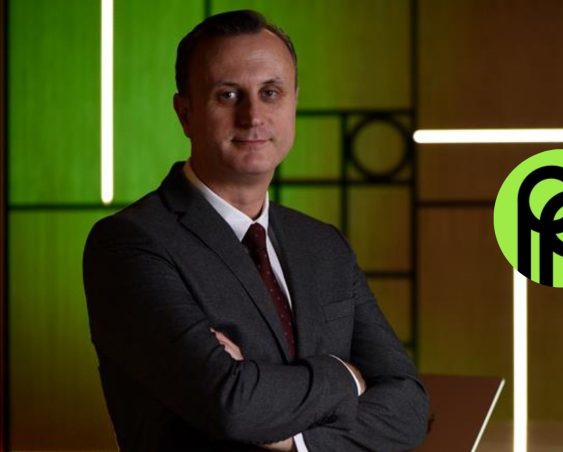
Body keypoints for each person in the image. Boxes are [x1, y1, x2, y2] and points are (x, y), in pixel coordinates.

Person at [83, 9, 429, 451]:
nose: (253, 116)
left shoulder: (323, 245)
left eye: (270, 93)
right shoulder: (130, 245)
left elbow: (410, 407)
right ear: (185, 113)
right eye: (228, 95)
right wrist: (347, 375)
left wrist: (293, 437)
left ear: (293, 103)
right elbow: (231, 405)